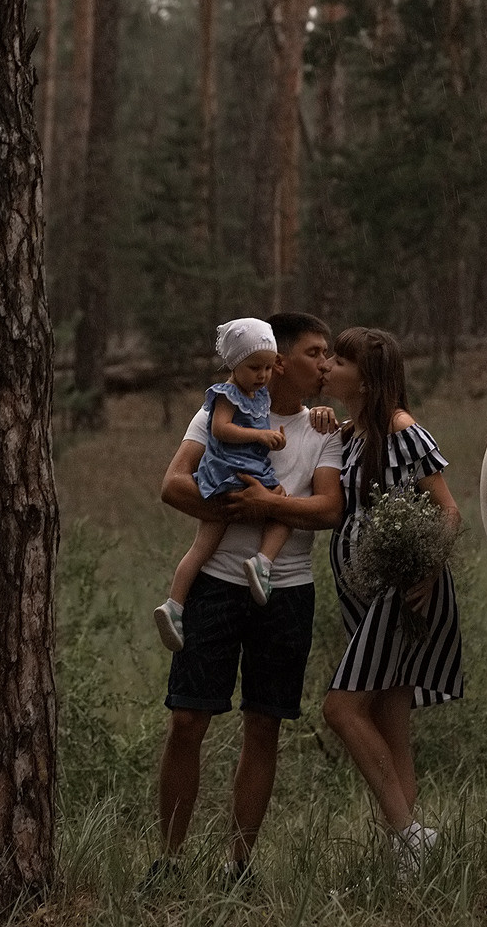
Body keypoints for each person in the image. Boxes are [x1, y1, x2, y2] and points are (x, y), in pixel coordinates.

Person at [144, 312, 343, 891]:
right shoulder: (219, 411)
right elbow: (172, 484)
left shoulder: (325, 429)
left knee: (264, 725)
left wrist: (268, 506)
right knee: (187, 719)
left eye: (329, 354)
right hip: (215, 585)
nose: (325, 364)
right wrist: (239, 508)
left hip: (287, 591)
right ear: (279, 360)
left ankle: (239, 867)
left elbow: (329, 509)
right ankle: (168, 864)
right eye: (314, 353)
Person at [320, 326, 463, 876]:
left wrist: (428, 569)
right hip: (361, 596)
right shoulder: (350, 433)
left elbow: (448, 511)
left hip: (398, 592)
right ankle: (407, 859)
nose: (328, 366)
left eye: (340, 360)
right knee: (390, 719)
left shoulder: (402, 431)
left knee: (341, 708)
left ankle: (409, 836)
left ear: (366, 377)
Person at [153, 318, 292, 651]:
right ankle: (263, 562)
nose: (262, 375)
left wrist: (273, 440)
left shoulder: (258, 396)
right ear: (234, 364)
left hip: (240, 472)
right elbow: (220, 429)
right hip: (233, 475)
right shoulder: (226, 394)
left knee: (203, 547)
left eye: (268, 368)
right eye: (254, 367)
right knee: (282, 504)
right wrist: (260, 436)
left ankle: (174, 605)